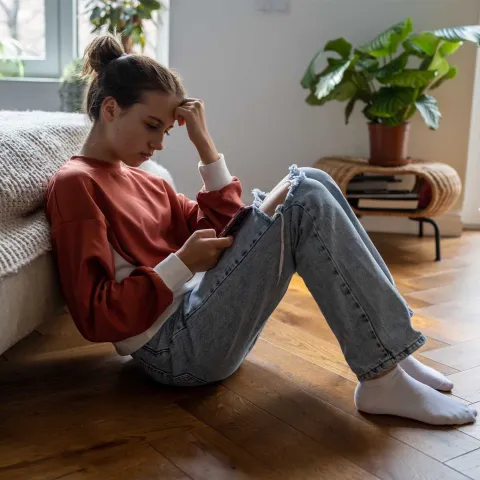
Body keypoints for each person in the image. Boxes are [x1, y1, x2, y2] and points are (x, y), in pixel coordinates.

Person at [46, 34, 476, 427]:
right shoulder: (76, 184)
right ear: (110, 109)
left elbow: (226, 225)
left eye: (165, 130)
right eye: (151, 125)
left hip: (200, 313)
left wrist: (204, 143)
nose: (159, 143)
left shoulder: (147, 179)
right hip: (175, 353)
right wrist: (180, 265)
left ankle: (392, 352)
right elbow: (94, 313)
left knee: (310, 178)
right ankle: (383, 374)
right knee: (303, 194)